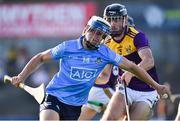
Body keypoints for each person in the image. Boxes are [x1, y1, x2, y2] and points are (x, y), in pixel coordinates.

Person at [10, 16, 169, 121]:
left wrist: (156, 86)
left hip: (75, 106)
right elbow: (40, 57)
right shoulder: (67, 47)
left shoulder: (106, 53)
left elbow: (134, 67)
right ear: (86, 29)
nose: (95, 36)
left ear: (104, 38)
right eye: (92, 31)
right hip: (54, 96)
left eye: (100, 34)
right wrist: (22, 76)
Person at [101, 3, 167, 120]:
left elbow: (149, 61)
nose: (112, 24)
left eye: (116, 20)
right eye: (109, 20)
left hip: (146, 91)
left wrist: (130, 73)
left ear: (125, 20)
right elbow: (105, 74)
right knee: (108, 119)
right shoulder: (106, 43)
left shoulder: (136, 36)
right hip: (125, 89)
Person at [78, 16, 136, 120]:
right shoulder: (109, 49)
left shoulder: (126, 52)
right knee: (128, 113)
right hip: (101, 91)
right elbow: (103, 78)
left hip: (96, 92)